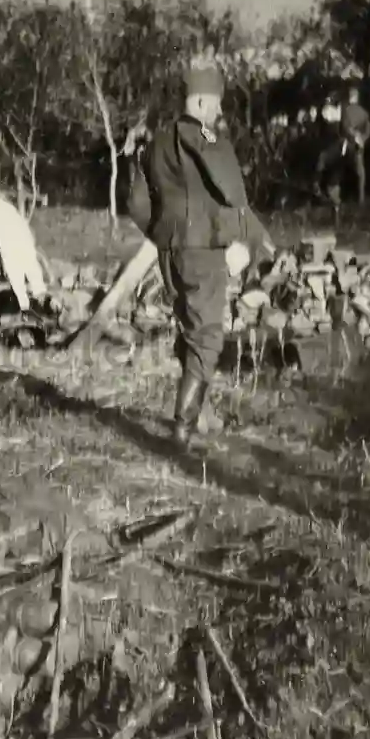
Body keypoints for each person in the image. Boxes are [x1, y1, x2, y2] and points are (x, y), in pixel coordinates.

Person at [126, 61, 276, 448]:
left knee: (190, 331)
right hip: (203, 252)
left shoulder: (156, 143)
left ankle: (201, 417)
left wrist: (162, 234)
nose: (220, 112)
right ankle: (182, 433)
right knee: (208, 337)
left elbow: (136, 202)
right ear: (202, 102)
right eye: (216, 105)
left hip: (169, 251)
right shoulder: (210, 142)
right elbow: (234, 198)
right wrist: (248, 239)